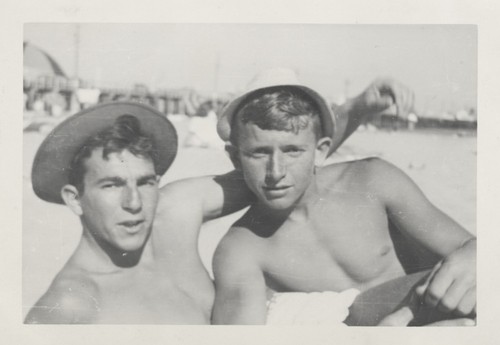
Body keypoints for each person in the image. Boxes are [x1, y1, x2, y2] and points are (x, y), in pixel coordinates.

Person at [25, 70, 414, 324]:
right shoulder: (67, 307)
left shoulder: (172, 211)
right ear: (74, 198)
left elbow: (278, 171)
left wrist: (358, 109)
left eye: (146, 182)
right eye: (111, 185)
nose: (134, 203)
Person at [211, 69, 476, 325]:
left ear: (321, 151)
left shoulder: (372, 181)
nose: (276, 172)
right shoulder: (240, 250)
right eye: (258, 153)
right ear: (235, 157)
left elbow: (469, 249)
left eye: (292, 151)